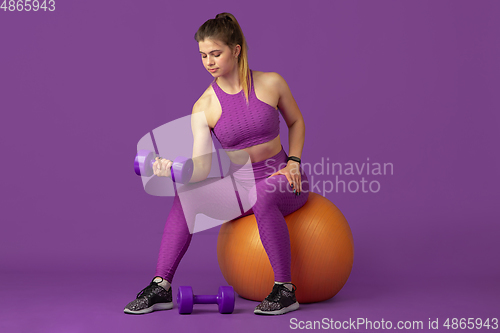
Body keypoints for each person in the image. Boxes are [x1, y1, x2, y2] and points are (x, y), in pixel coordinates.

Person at [124, 12, 310, 316]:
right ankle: (160, 287)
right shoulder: (204, 106)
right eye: (203, 55)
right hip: (241, 186)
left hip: (283, 178)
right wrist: (169, 167)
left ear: (236, 49)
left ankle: (285, 290)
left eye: (216, 53)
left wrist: (293, 161)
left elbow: (296, 121)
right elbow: (200, 167)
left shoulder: (271, 83)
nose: (209, 62)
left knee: (263, 196)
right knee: (186, 197)